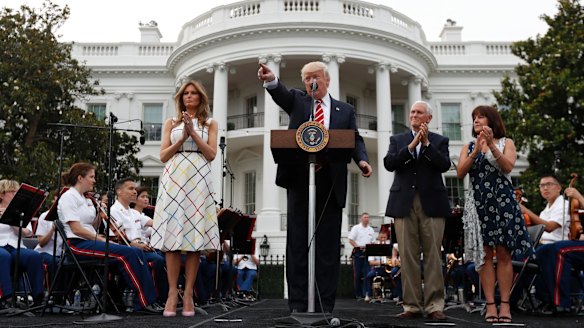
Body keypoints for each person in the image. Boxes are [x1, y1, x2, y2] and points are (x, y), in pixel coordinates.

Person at [258, 61, 372, 313]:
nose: (311, 82)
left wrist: (362, 160)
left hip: (330, 184)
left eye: (316, 77)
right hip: (300, 181)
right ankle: (298, 305)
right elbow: (282, 95)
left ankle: (324, 305)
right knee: (298, 244)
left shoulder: (345, 110)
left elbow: (355, 139)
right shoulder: (299, 101)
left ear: (327, 79)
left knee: (328, 248)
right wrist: (271, 80)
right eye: (307, 77)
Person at [150, 80, 220, 317]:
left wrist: (193, 133)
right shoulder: (171, 122)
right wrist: (181, 138)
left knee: (193, 238)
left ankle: (188, 293)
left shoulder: (210, 123)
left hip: (199, 177)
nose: (189, 97)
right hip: (174, 176)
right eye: (186, 93)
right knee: (172, 237)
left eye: (194, 93)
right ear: (181, 98)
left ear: (201, 98)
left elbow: (211, 154)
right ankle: (172, 293)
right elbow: (162, 155)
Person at [457, 105, 532, 323]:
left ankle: (505, 305)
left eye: (481, 117)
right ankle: (490, 305)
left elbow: (508, 167)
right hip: (479, 205)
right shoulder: (468, 146)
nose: (476, 121)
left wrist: (490, 145)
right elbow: (461, 172)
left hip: (502, 203)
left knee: (504, 254)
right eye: (474, 118)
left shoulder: (506, 142)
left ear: (492, 121)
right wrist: (475, 152)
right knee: (484, 255)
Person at [57, 163, 162, 313]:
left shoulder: (87, 199)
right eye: (91, 177)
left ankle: (144, 300)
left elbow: (91, 226)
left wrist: (100, 214)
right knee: (130, 253)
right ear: (80, 178)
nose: (94, 180)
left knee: (135, 252)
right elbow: (76, 229)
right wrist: (99, 238)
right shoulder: (68, 197)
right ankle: (144, 302)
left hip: (89, 241)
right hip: (77, 245)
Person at [384, 100, 450, 321]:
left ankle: (434, 306)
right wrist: (412, 146)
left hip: (432, 202)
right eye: (412, 112)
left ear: (428, 118)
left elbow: (444, 165)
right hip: (404, 203)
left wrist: (427, 144)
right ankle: (411, 305)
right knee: (408, 255)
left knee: (433, 255)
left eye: (419, 112)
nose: (414, 115)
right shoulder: (397, 140)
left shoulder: (440, 141)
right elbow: (389, 163)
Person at [520, 177, 579, 313]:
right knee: (520, 254)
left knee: (539, 253)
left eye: (549, 184)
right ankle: (509, 298)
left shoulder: (563, 205)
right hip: (543, 246)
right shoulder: (545, 210)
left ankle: (550, 300)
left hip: (554, 245)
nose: (545, 188)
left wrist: (525, 210)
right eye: (541, 186)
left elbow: (550, 227)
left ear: (559, 188)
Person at [110, 177, 167, 306]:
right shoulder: (113, 211)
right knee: (157, 260)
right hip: (128, 250)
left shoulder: (134, 213)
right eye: (131, 189)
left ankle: (162, 299)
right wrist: (133, 244)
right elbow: (115, 239)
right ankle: (151, 300)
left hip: (140, 249)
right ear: (119, 191)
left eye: (135, 189)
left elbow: (156, 223)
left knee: (162, 257)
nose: (135, 192)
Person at [0, 180, 45, 307]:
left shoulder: (21, 212)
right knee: (3, 256)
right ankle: (7, 298)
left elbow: (28, 233)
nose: (16, 195)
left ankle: (38, 298)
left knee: (34, 256)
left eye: (17, 192)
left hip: (16, 246)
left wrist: (11, 219)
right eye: (12, 192)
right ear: (2, 194)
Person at [348, 212, 375, 299]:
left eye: (367, 217)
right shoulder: (356, 228)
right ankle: (358, 294)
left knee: (367, 273)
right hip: (358, 251)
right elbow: (351, 240)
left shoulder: (371, 229)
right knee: (358, 273)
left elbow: (373, 241)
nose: (366, 219)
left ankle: (366, 293)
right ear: (361, 218)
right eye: (365, 217)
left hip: (368, 252)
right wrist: (358, 247)